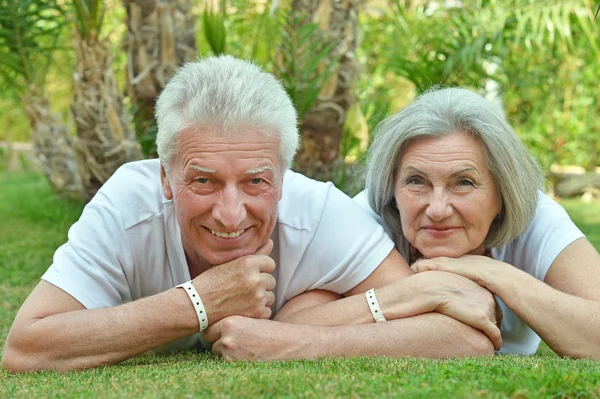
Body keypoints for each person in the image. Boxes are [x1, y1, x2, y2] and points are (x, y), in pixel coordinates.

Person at [2, 58, 499, 373]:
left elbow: (464, 338)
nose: (230, 212)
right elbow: (26, 348)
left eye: (257, 182)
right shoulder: (126, 205)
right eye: (203, 180)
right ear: (164, 178)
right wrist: (200, 302)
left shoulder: (319, 210)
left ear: (284, 180)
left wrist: (292, 341)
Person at [353, 87, 600, 357]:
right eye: (416, 181)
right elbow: (305, 319)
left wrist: (496, 274)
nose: (437, 209)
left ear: (503, 192)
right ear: (392, 187)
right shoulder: (364, 218)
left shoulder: (538, 218)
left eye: (463, 182)